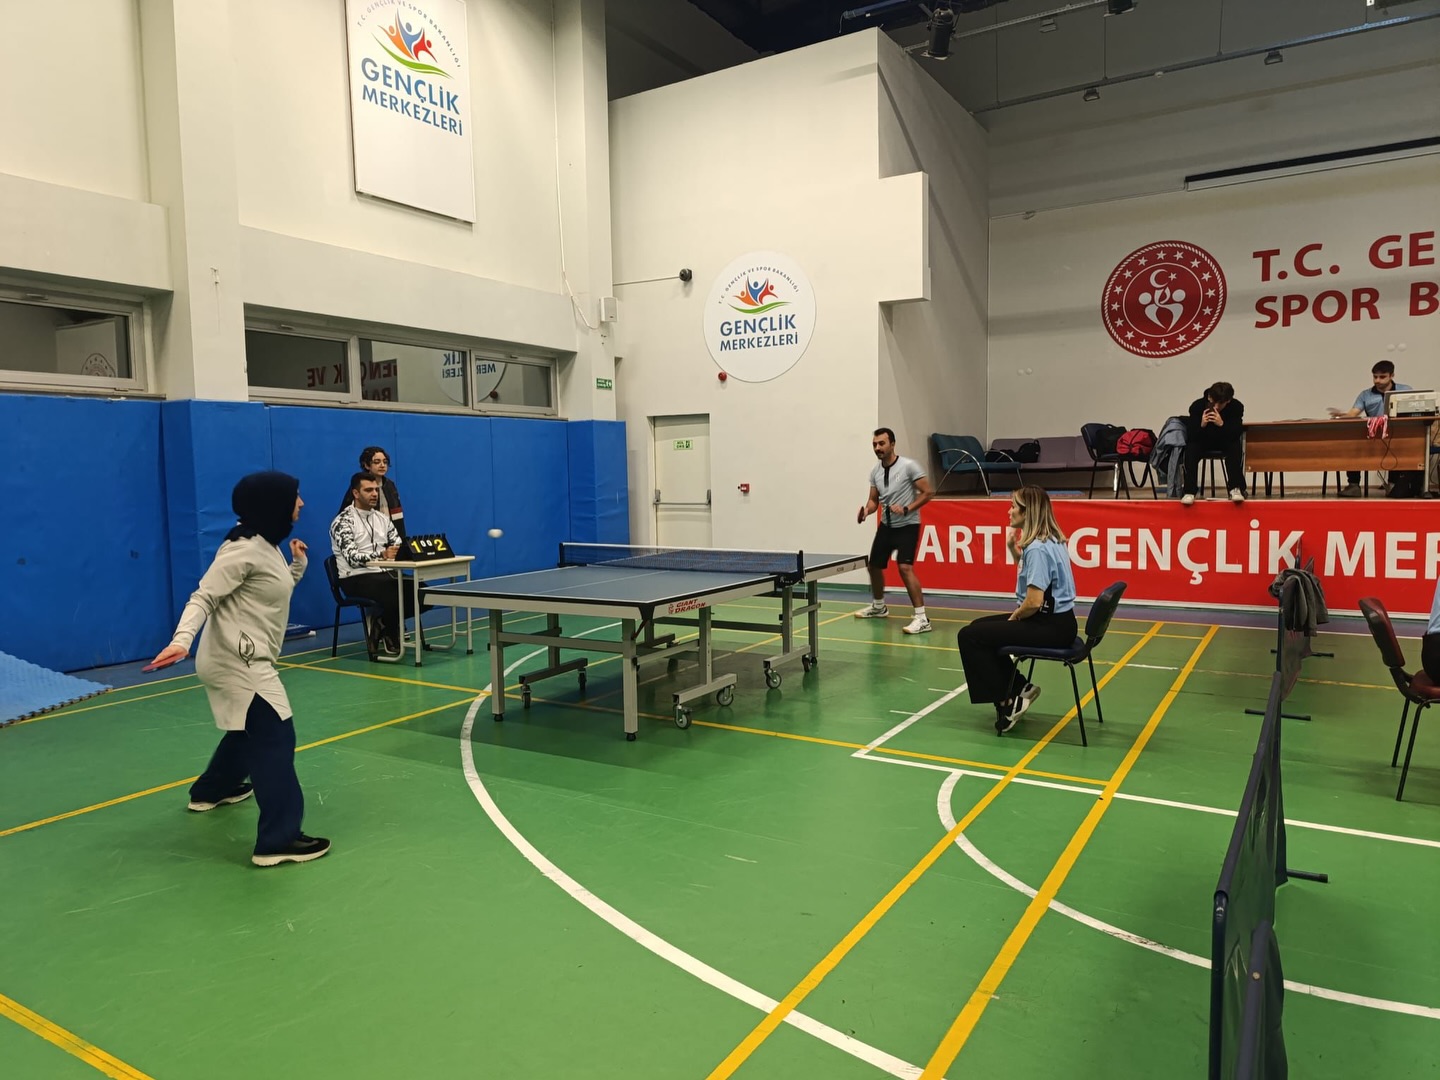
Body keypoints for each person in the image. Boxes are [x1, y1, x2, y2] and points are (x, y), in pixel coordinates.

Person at [148, 471, 331, 867]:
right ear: (273, 503)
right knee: (275, 737)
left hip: (237, 658)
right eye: (295, 497)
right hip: (238, 662)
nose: (301, 503)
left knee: (247, 731)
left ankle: (211, 791)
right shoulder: (242, 549)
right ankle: (278, 840)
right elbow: (204, 596)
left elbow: (271, 591)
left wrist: (297, 565)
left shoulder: (266, 545)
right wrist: (181, 640)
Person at [956, 486, 1078, 732]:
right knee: (978, 628)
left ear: (1027, 512)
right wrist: (1014, 550)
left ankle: (1008, 702)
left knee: (969, 637)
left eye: (1013, 506)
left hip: (1049, 626)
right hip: (1059, 622)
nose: (1009, 511)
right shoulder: (1051, 540)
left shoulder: (1038, 549)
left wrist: (1015, 617)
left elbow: (1033, 602)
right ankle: (1020, 687)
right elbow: (1033, 576)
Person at [854, 427, 934, 635]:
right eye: (874, 444)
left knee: (905, 568)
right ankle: (879, 606)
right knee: (874, 566)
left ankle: (922, 618)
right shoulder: (875, 472)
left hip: (908, 525)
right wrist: (866, 511)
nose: (877, 448)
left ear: (892, 444)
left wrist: (907, 508)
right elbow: (874, 500)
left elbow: (927, 492)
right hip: (887, 526)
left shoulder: (908, 466)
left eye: (881, 443)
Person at [330, 470, 414, 655]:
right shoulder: (342, 522)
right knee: (393, 594)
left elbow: (397, 543)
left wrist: (397, 551)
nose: (374, 494)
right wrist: (382, 555)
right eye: (368, 490)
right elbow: (352, 557)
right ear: (355, 493)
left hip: (383, 574)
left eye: (376, 490)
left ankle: (382, 622)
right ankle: (390, 631)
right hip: (355, 578)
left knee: (421, 592)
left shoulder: (382, 519)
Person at [1327, 361, 1415, 498]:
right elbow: (1353, 414)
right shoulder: (1365, 395)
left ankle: (1396, 485)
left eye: (1382, 377)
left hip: (1399, 436)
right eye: (1375, 377)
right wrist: (1342, 415)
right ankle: (1353, 485)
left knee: (1406, 446)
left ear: (1392, 375)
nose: (1377, 380)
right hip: (1373, 436)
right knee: (1353, 445)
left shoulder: (1405, 390)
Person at [1180, 381, 1245, 506]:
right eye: (1214, 402)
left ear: (1228, 401)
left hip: (1224, 440)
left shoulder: (1236, 407)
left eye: (1221, 403)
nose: (1216, 406)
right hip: (1203, 441)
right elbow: (1191, 435)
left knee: (1234, 446)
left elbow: (1236, 433)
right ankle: (1189, 491)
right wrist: (1202, 425)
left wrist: (1222, 424)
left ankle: (1235, 488)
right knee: (1191, 448)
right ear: (1209, 397)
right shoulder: (1197, 406)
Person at [338, 446, 406, 537]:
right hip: (367, 537)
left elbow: (398, 515)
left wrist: (401, 539)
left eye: (385, 462)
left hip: (390, 535)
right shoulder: (358, 486)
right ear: (366, 465)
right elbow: (344, 515)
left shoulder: (390, 485)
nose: (382, 465)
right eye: (377, 462)